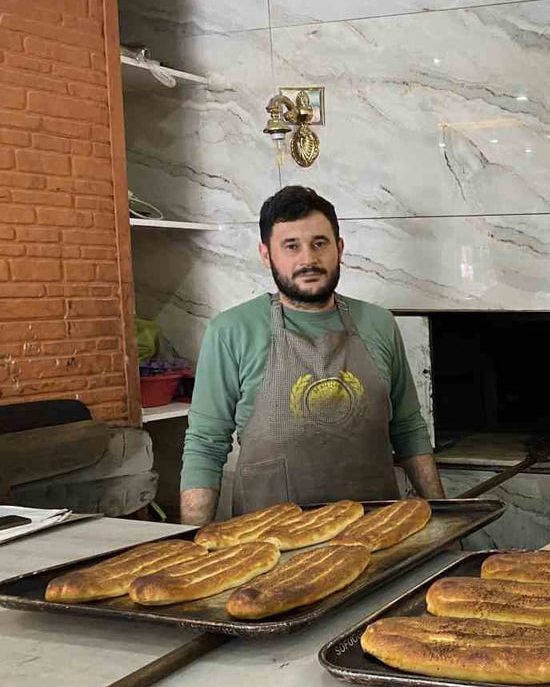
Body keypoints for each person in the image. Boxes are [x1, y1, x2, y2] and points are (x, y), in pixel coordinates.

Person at [179, 186, 442, 524]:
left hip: (375, 533)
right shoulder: (231, 331)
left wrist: (441, 514)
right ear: (265, 255)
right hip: (268, 543)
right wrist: (190, 543)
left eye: (320, 243)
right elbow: (206, 444)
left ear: (340, 249)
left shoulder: (378, 323)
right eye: (291, 246)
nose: (308, 259)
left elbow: (408, 429)